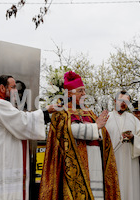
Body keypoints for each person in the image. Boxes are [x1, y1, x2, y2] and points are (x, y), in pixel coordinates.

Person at [0, 75, 56, 200]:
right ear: (2, 87)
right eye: (13, 87)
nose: (16, 91)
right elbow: (23, 121)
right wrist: (46, 111)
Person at [39, 71, 121, 200]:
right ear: (70, 93)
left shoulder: (88, 111)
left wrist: (100, 130)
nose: (84, 94)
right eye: (80, 91)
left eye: (84, 90)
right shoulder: (62, 111)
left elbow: (101, 132)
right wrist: (96, 127)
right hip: (75, 163)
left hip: (95, 160)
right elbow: (69, 131)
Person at [105, 91, 140, 200]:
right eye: (121, 100)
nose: (123, 103)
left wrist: (133, 138)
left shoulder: (133, 119)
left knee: (130, 191)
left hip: (130, 163)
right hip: (112, 162)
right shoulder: (106, 118)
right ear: (115, 101)